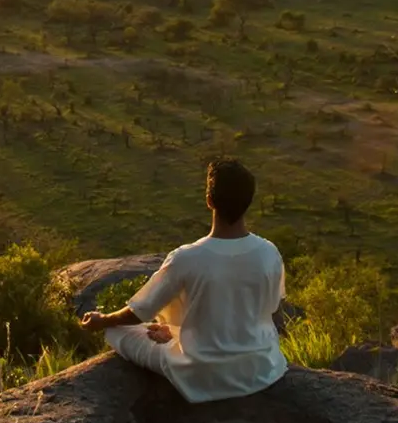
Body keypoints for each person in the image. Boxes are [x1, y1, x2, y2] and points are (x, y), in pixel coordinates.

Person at [78, 158, 288, 402]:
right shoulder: (268, 252)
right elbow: (274, 312)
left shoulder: (187, 257)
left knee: (117, 332)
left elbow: (139, 312)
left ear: (209, 201)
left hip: (201, 374)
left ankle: (176, 338)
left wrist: (103, 320)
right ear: (249, 202)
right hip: (260, 369)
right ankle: (177, 335)